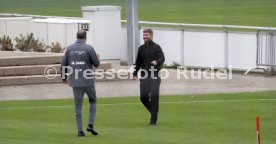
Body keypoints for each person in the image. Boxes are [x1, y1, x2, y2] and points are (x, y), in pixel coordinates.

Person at [61, 29, 100, 137]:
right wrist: (97, 57)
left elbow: (63, 64)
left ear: (76, 36)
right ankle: (90, 124)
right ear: (85, 37)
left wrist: (64, 77)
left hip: (75, 82)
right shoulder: (89, 48)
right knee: (93, 101)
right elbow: (96, 64)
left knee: (78, 106)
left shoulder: (69, 48)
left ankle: (80, 130)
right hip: (88, 81)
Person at [133, 28, 165, 125]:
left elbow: (162, 58)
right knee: (143, 98)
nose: (144, 37)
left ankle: (153, 120)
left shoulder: (157, 47)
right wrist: (135, 73)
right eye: (144, 35)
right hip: (144, 76)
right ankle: (154, 113)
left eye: (146, 35)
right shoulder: (141, 48)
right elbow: (138, 62)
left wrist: (157, 62)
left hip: (154, 76)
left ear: (151, 35)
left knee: (154, 98)